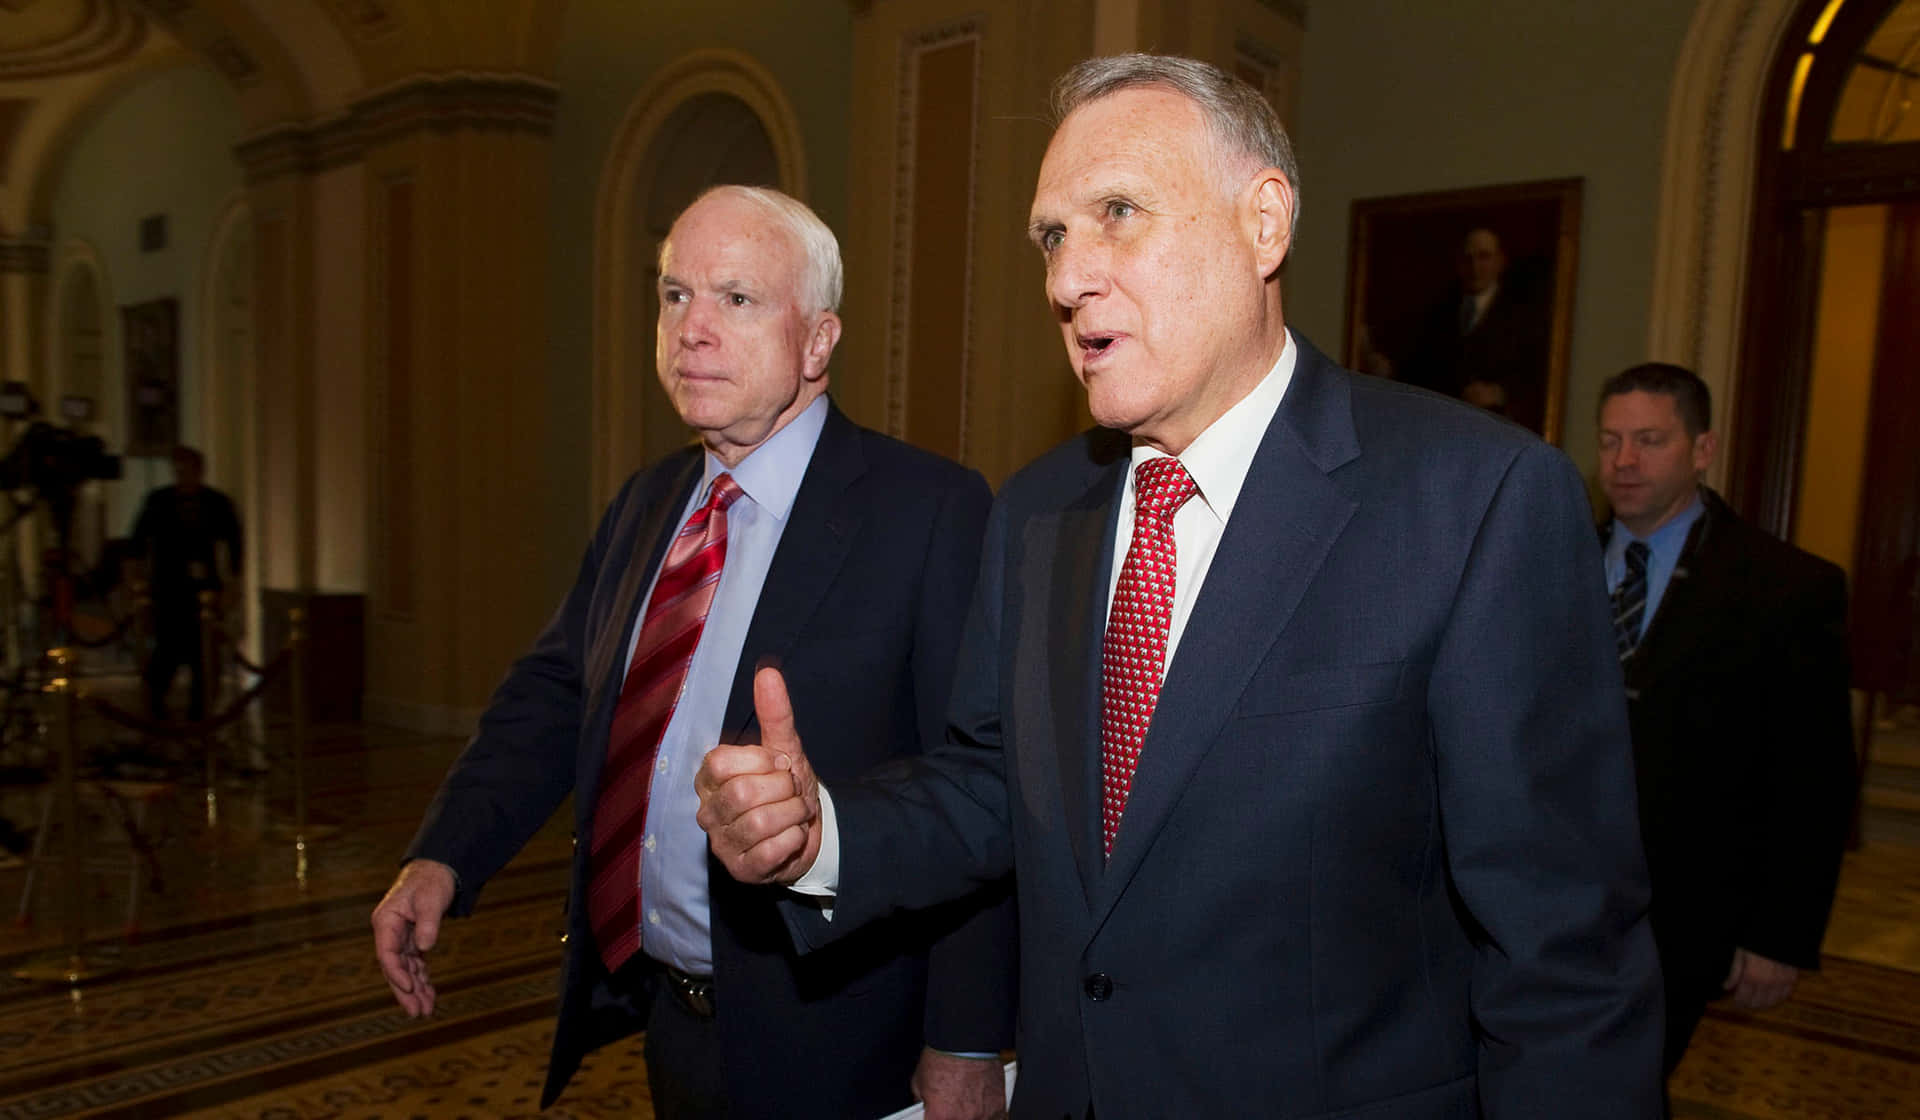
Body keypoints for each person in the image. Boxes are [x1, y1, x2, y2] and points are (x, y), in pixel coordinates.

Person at [697, 55, 1663, 1118]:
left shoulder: (1472, 499)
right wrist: (821, 831)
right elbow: (992, 783)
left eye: (1117, 213)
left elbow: (1562, 955)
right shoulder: (1037, 512)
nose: (1067, 279)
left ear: (1264, 223)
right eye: (1054, 237)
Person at [370, 186, 1015, 1119]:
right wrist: (445, 858)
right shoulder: (646, 503)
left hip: (845, 1040)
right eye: (675, 296)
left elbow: (978, 788)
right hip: (673, 1022)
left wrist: (963, 1040)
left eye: (737, 298)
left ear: (818, 341)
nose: (693, 329)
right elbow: (555, 697)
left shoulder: (929, 511)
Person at [1596, 363, 1855, 1080]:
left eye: (1649, 440)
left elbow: (1815, 776)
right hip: (1555, 904)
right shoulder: (1552, 562)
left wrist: (1780, 935)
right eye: (1611, 440)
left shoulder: (1786, 587)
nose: (1624, 461)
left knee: (1626, 1080)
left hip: (1689, 912)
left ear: (1702, 450)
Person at [1394, 228, 1552, 433]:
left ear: (1500, 261)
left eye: (1484, 257)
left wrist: (1499, 393)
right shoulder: (1439, 313)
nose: (1475, 267)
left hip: (1498, 429)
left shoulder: (1523, 315)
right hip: (1443, 427)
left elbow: (1535, 374)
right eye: (1468, 259)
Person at [130, 445, 241, 722]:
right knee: (166, 651)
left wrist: (231, 585)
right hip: (167, 588)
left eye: (189, 469)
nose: (183, 475)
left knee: (204, 654)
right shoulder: (159, 501)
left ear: (200, 471)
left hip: (204, 591)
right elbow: (137, 543)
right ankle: (154, 707)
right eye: (179, 470)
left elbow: (234, 546)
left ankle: (200, 712)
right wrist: (136, 582)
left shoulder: (217, 503)